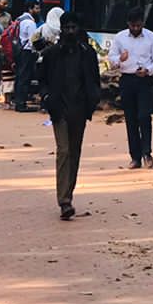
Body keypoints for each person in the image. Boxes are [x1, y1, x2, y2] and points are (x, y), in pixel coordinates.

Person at [39, 12, 101, 220]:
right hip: (59, 110)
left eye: (74, 28)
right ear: (62, 29)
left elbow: (94, 80)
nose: (70, 31)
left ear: (79, 29)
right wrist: (47, 97)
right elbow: (42, 80)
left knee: (74, 152)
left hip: (80, 110)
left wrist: (93, 100)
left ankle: (68, 195)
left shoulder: (88, 54)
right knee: (63, 151)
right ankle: (64, 201)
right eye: (67, 28)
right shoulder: (51, 54)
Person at [110, 7, 153, 169]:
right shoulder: (120, 38)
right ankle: (135, 157)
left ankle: (147, 153)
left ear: (142, 24)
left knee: (144, 116)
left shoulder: (152, 37)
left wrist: (148, 70)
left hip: (145, 81)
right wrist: (120, 58)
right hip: (127, 80)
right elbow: (111, 59)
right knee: (131, 119)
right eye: (133, 26)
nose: (135, 29)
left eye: (138, 26)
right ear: (128, 24)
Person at [13, 0, 41, 112]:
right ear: (30, 9)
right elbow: (33, 40)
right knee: (24, 78)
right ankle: (21, 104)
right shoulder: (30, 23)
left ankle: (18, 101)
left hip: (19, 51)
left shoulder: (20, 19)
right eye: (36, 8)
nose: (38, 11)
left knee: (20, 77)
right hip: (26, 52)